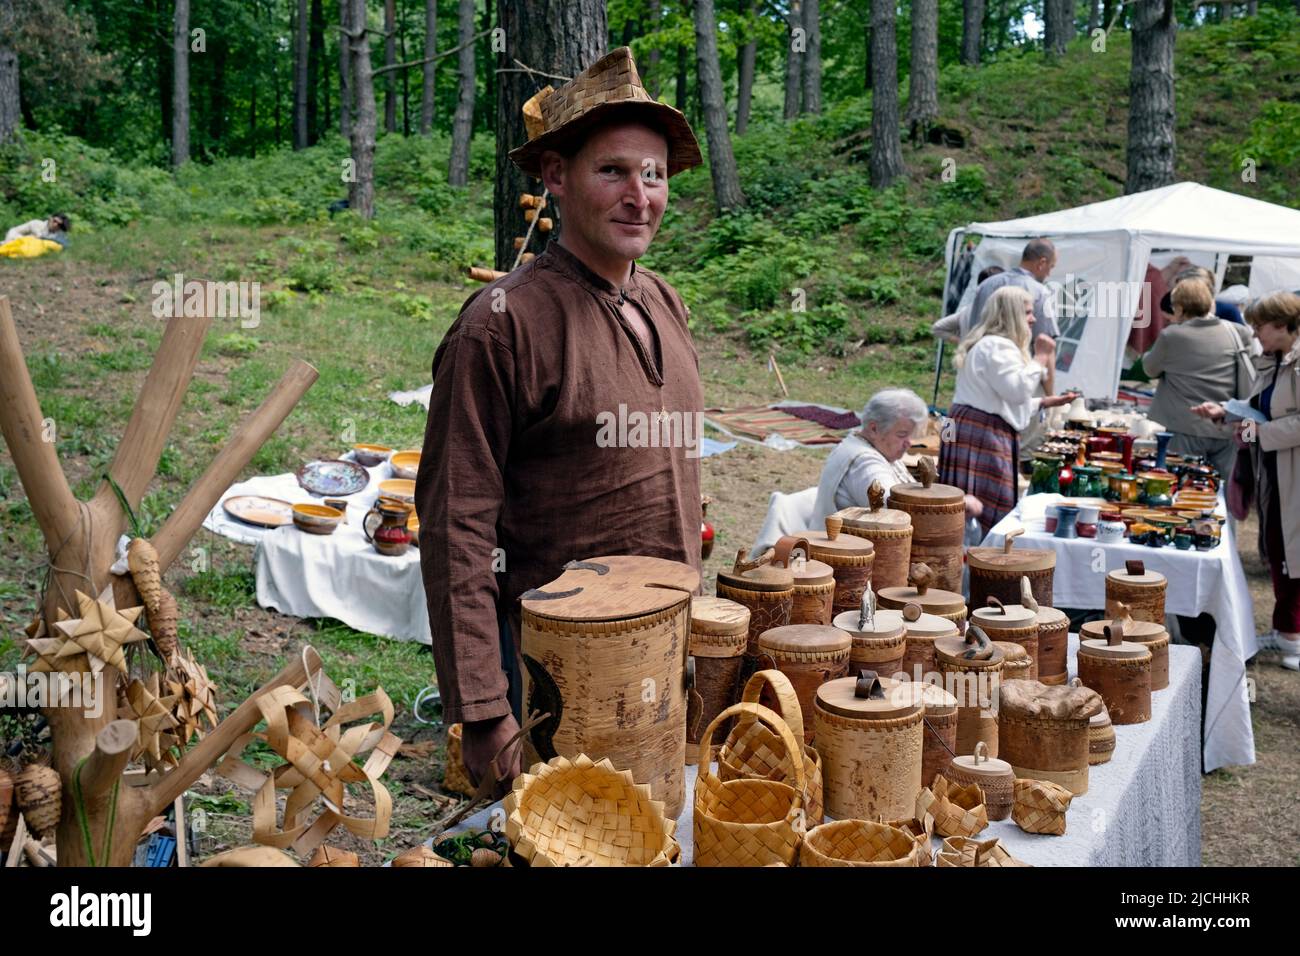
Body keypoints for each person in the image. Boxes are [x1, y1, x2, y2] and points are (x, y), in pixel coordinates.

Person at [414, 48, 705, 794]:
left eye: (655, 174)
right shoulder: (500, 327)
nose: (639, 195)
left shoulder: (664, 302)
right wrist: (483, 707)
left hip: (661, 653)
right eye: (613, 171)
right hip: (553, 677)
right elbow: (456, 524)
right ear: (555, 177)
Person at [1192, 292, 1300, 670]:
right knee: (1277, 548)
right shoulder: (1274, 360)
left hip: (1292, 472)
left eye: (1260, 327)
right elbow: (1259, 412)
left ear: (1285, 326)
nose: (1255, 334)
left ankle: (1292, 636)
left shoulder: (1296, 365)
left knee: (1291, 553)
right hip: (1274, 468)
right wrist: (1226, 415)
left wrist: (1254, 429)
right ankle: (1288, 631)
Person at [940, 286, 1074, 535]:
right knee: (980, 511)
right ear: (1011, 315)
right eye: (1027, 313)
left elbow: (1001, 401)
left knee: (968, 507)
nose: (1033, 319)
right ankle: (980, 561)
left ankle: (971, 558)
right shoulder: (998, 346)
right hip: (981, 434)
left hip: (970, 428)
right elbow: (1017, 390)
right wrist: (1042, 357)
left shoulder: (990, 345)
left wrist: (1045, 402)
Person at [1143, 276, 1255, 478]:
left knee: (1183, 490)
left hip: (1185, 426)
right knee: (1223, 494)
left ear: (1178, 307)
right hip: (1227, 424)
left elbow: (1150, 370)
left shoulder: (1172, 335)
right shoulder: (1238, 332)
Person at [813, 388, 930, 519]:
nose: (909, 443)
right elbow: (898, 516)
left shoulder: (878, 448)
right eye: (902, 434)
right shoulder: (864, 464)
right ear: (874, 428)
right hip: (844, 539)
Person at [963, 238, 1060, 341]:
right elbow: (1044, 341)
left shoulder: (985, 285)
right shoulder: (1040, 293)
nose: (1049, 274)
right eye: (1051, 267)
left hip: (980, 353)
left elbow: (972, 329)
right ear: (1042, 263)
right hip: (1016, 355)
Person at [931, 267, 1004, 344]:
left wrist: (963, 343)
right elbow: (938, 328)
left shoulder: (967, 311)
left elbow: (938, 328)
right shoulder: (999, 315)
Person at [4, 213, 71, 245]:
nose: (55, 225)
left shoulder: (57, 234)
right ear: (50, 218)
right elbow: (39, 237)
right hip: (14, 237)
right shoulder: (37, 224)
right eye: (55, 221)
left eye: (59, 225)